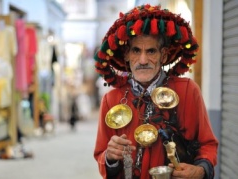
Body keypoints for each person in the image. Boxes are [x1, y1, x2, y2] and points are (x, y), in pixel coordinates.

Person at [93, 4, 218, 179]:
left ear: (164, 55)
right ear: (127, 54)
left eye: (151, 51)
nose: (143, 60)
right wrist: (110, 157)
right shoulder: (111, 100)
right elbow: (101, 156)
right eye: (136, 50)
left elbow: (208, 145)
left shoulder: (188, 91)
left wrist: (200, 170)